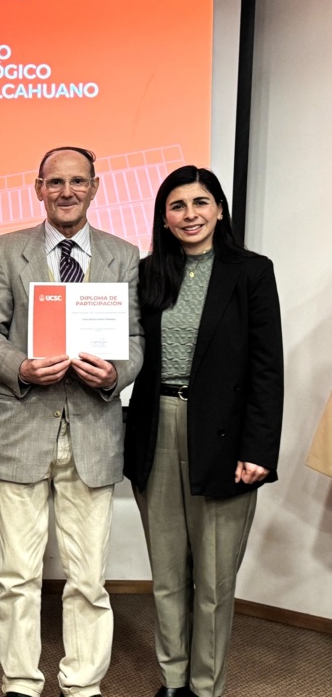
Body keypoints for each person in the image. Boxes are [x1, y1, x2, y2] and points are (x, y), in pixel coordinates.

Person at [0, 147, 144, 697]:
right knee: (18, 576)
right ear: (38, 187)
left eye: (78, 181)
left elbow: (135, 339)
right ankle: (21, 682)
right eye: (55, 182)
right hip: (21, 429)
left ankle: (83, 685)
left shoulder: (124, 255)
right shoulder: (6, 249)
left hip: (93, 433)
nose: (67, 191)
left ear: (95, 187)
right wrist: (18, 366)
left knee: (88, 577)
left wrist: (114, 373)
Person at [124, 166, 283, 697]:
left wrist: (259, 449)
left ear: (218, 209)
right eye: (177, 205)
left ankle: (204, 686)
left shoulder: (251, 271)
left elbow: (267, 368)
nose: (189, 214)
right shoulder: (147, 274)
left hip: (225, 437)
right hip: (156, 429)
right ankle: (173, 680)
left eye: (200, 202)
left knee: (214, 580)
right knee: (168, 574)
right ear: (164, 218)